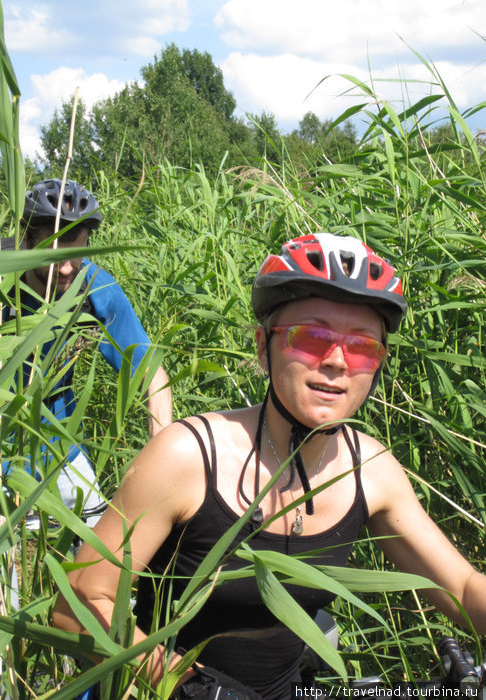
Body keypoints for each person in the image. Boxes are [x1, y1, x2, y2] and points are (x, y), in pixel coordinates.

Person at [52, 233, 486, 699]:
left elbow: (462, 587)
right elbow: (77, 603)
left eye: (361, 347)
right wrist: (188, 688)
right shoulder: (189, 457)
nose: (337, 361)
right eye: (312, 338)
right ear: (264, 347)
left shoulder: (370, 469)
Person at [2, 178, 172, 525]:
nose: (67, 268)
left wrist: (161, 464)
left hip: (61, 450)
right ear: (26, 239)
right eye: (55, 255)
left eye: (77, 253)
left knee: (104, 554)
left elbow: (153, 376)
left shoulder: (93, 288)